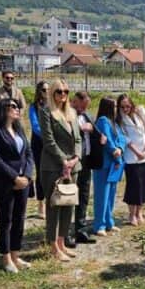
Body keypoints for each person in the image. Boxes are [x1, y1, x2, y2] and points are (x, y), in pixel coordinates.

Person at [0, 98, 34, 272]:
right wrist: (14, 178)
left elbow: (28, 154)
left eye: (17, 106)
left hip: (23, 182)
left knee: (19, 219)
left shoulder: (19, 129)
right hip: (5, 183)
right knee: (6, 220)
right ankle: (6, 258)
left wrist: (26, 176)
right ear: (3, 109)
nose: (17, 109)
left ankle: (15, 255)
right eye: (13, 106)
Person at [39, 79, 81, 261]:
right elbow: (49, 141)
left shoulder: (72, 112)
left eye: (66, 91)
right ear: (52, 93)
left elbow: (78, 139)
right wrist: (64, 161)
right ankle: (53, 246)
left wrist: (76, 158)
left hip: (73, 166)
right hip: (53, 166)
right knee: (54, 206)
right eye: (59, 91)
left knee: (68, 204)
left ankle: (62, 242)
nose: (63, 95)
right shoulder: (46, 112)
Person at [117, 94, 145, 226]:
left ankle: (140, 212)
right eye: (122, 107)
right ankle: (132, 214)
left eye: (127, 106)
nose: (125, 109)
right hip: (132, 156)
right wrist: (137, 152)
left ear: (132, 105)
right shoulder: (119, 119)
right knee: (133, 185)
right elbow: (124, 138)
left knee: (144, 184)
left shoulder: (140, 112)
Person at [69, 91, 101, 245]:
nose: (83, 110)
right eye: (81, 106)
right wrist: (80, 129)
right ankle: (65, 233)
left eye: (86, 107)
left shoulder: (87, 116)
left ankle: (81, 230)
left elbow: (97, 134)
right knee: (69, 197)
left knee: (83, 195)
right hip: (72, 162)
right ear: (74, 102)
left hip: (87, 161)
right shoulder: (66, 116)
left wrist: (93, 130)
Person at [92, 97, 126, 236]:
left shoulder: (115, 122)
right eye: (115, 106)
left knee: (111, 194)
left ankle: (109, 222)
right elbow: (107, 140)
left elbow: (122, 138)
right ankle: (99, 225)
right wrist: (115, 152)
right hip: (104, 163)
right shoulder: (103, 121)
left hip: (114, 163)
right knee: (102, 195)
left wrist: (120, 149)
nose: (116, 109)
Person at [28, 81, 49, 219]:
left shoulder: (53, 105)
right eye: (44, 90)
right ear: (39, 91)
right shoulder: (34, 107)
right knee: (41, 172)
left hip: (52, 143)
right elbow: (35, 126)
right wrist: (48, 135)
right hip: (39, 143)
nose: (46, 92)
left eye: (48, 89)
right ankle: (41, 203)